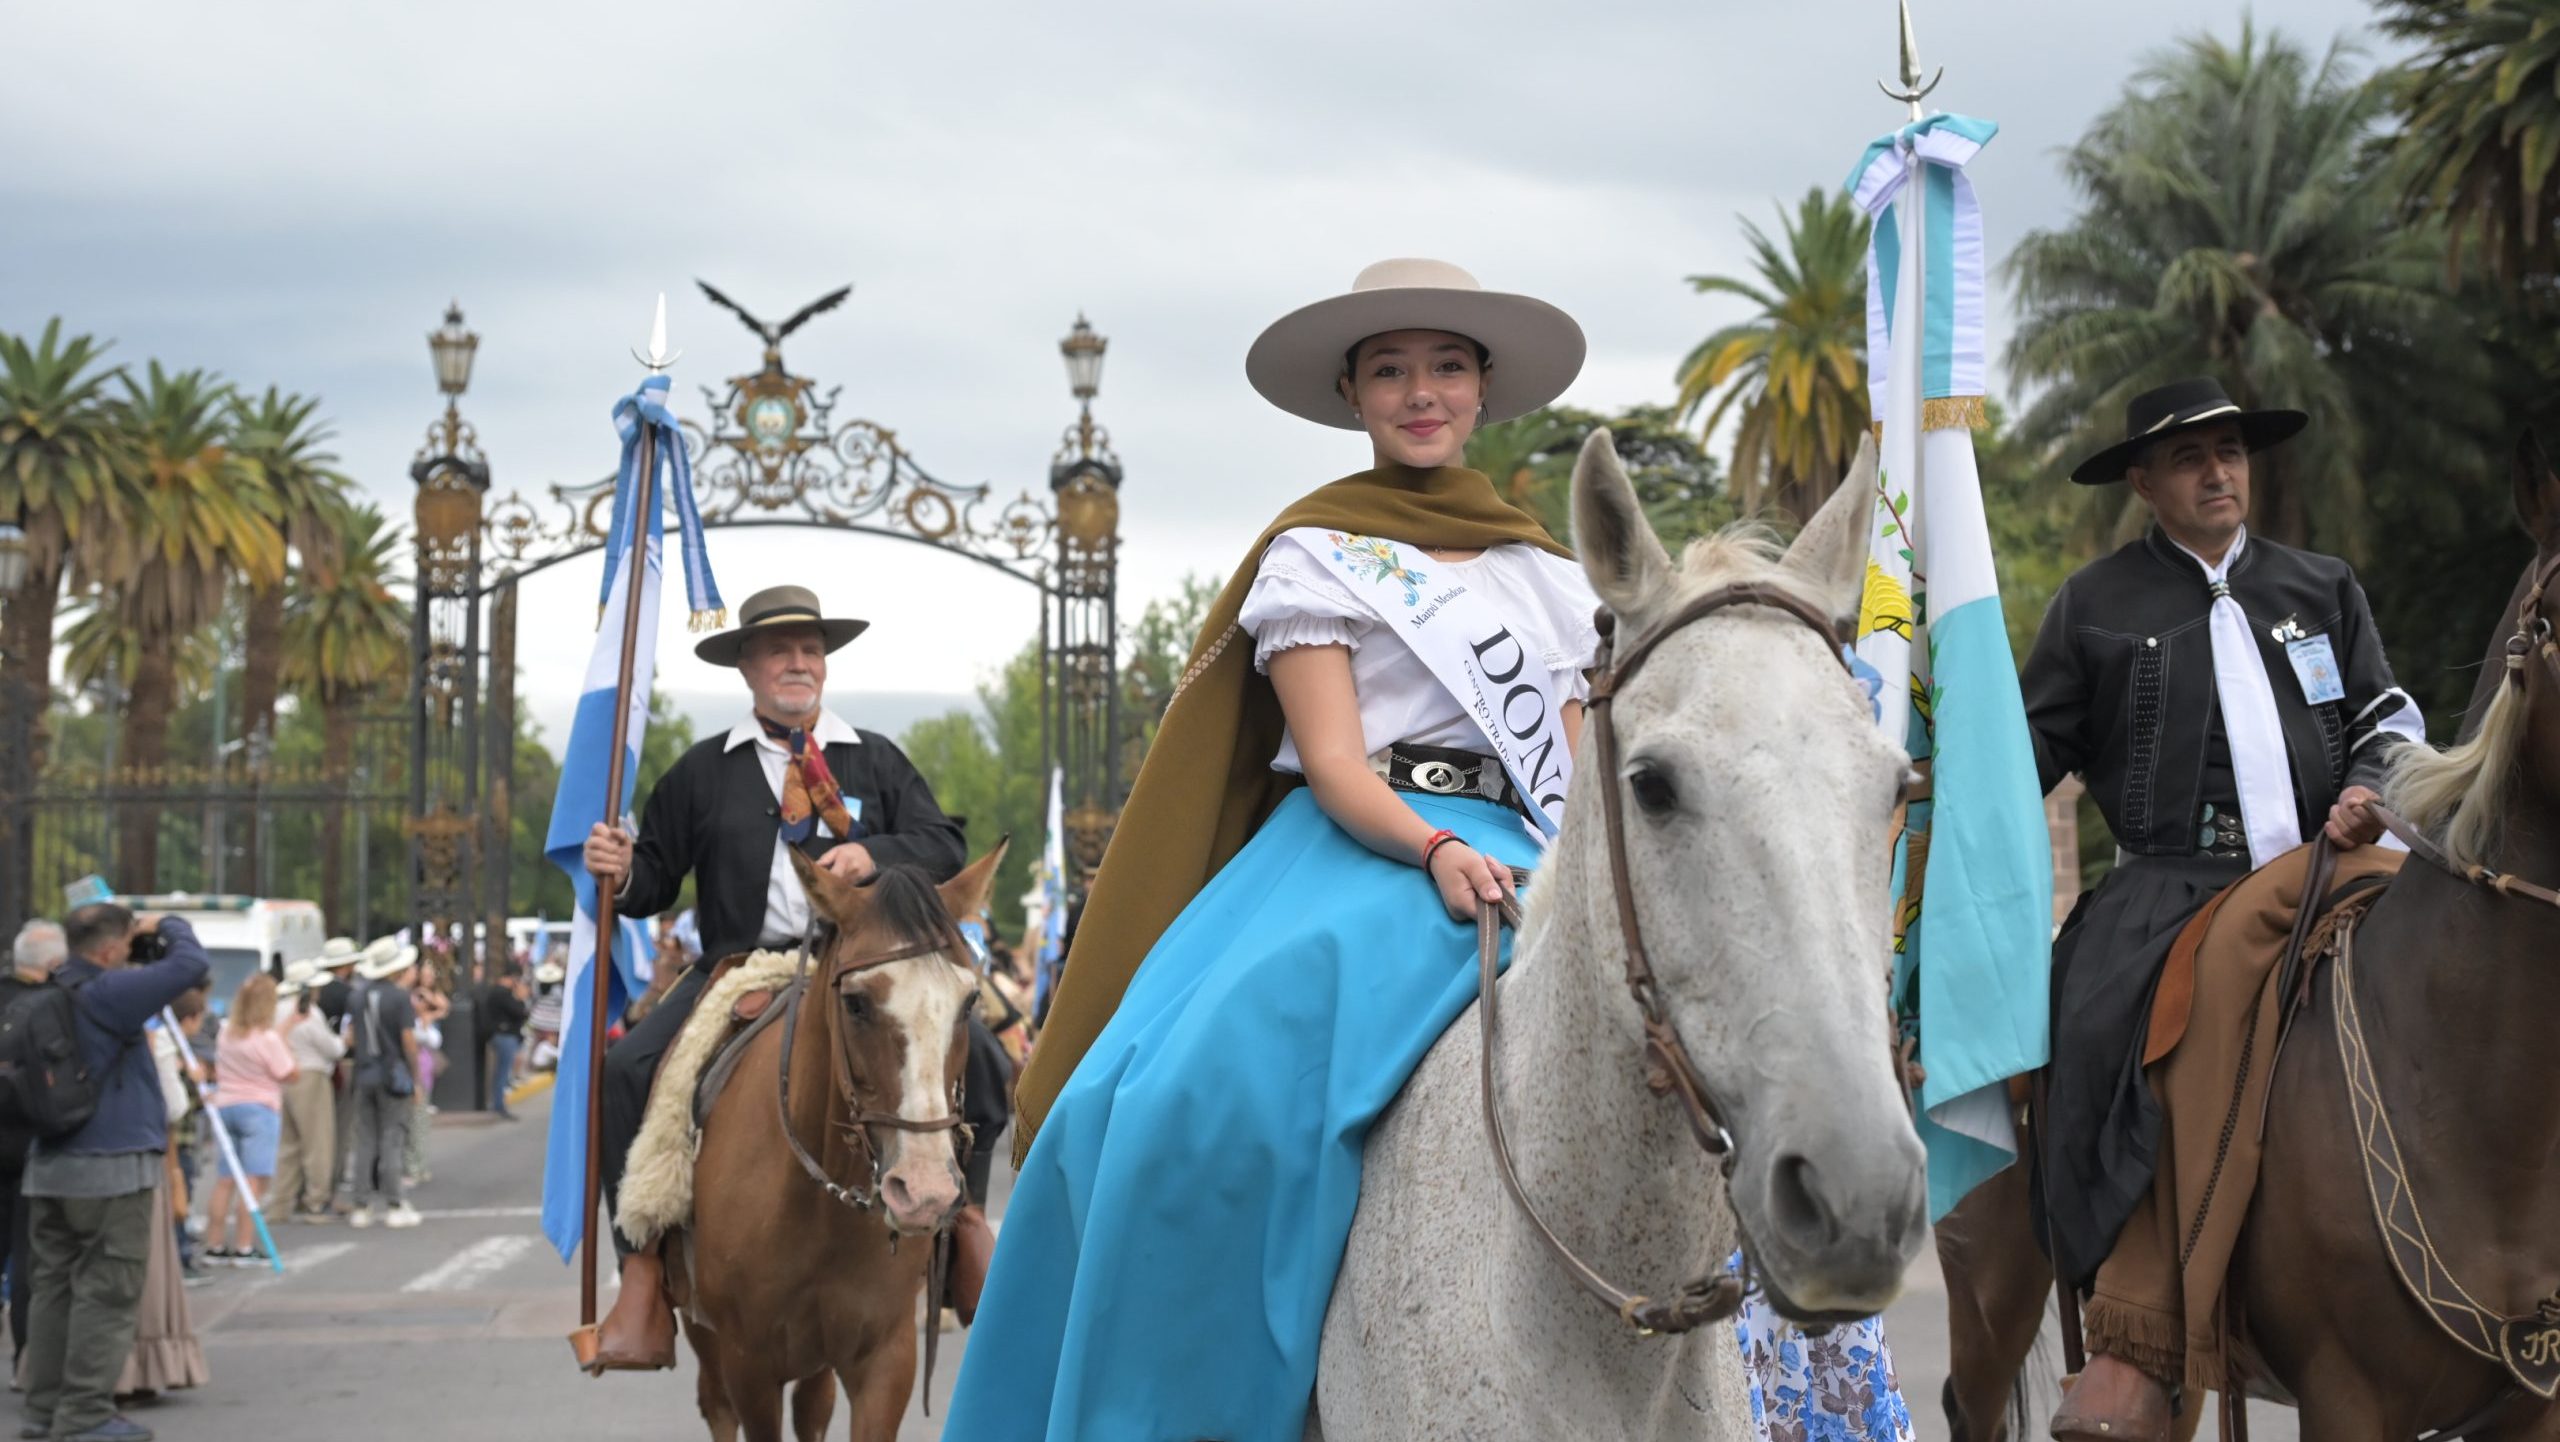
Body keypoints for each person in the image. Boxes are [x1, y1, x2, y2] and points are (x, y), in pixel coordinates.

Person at [947, 259, 1610, 1439]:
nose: (1422, 391)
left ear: (1484, 388)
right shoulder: (1319, 552)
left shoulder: (1549, 575)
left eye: (1446, 365)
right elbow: (1339, 763)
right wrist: (1433, 849)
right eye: (1392, 369)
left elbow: (1571, 758)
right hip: (1361, 849)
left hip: (1525, 840)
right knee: (1165, 1096)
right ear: (1353, 393)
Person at [2029, 380, 2426, 1439]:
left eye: (2231, 452)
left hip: (2329, 862)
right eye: (2192, 458)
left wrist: (2369, 784)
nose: (2219, 471)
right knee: (2130, 1033)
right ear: (2143, 481)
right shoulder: (2091, 601)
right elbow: (2025, 754)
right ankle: (2134, 1334)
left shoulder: (2320, 584)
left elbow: (2384, 712)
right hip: (2170, 894)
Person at [577, 581, 969, 1370]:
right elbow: (654, 881)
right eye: (781, 650)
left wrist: (877, 853)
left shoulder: (875, 758)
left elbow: (945, 846)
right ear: (748, 667)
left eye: (812, 649)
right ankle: (645, 1274)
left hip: (863, 965)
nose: (799, 663)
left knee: (981, 1058)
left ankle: (967, 1239)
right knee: (625, 1070)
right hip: (739, 966)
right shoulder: (701, 772)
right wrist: (618, 866)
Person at [20, 902, 209, 1442]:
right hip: (110, 1168)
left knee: (53, 1290)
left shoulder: (51, 989)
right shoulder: (109, 993)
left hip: (50, 1162)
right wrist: (164, 924)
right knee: (107, 1291)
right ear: (108, 950)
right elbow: (190, 964)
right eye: (127, 944)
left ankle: (43, 1411)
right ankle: (84, 1415)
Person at [1, 921, 67, 1366]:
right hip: (28, 1144)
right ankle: (27, 1357)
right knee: (28, 1259)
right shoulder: (46, 1008)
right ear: (54, 964)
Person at [202, 975, 294, 1265]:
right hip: (259, 1108)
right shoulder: (267, 1039)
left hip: (226, 1104)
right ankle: (244, 1246)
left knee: (226, 1180)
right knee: (253, 1180)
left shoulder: (226, 1032)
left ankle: (214, 1244)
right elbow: (288, 1072)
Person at [343, 942, 421, 1231]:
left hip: (364, 1074)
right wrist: (416, 1078)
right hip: (393, 1075)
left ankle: (361, 1204)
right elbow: (409, 1041)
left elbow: (350, 1036)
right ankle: (394, 1202)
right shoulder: (399, 998)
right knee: (392, 1138)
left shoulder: (357, 997)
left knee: (365, 1140)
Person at [270, 965, 344, 1221]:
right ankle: (316, 1201)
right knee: (317, 1142)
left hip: (283, 1077)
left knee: (287, 1144)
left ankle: (279, 1203)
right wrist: (343, 1041)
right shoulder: (310, 1014)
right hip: (310, 1074)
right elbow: (331, 1048)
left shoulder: (277, 1010)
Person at [476, 967, 529, 1121]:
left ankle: (498, 1104)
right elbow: (520, 1012)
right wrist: (520, 998)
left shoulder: (497, 993)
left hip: (503, 1036)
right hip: (504, 1036)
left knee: (502, 1072)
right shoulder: (502, 993)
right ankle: (498, 1105)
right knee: (503, 1072)